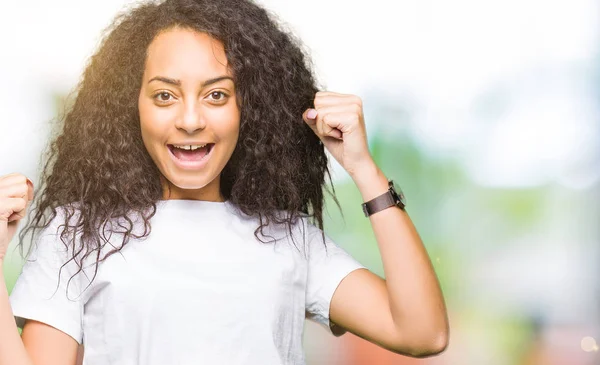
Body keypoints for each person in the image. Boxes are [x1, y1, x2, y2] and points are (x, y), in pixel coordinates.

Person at [0, 0, 449, 364]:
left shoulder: (289, 238)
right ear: (130, 106)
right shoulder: (78, 233)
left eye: (216, 95)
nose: (190, 119)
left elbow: (422, 333)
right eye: (164, 95)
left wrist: (363, 169)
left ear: (246, 108)